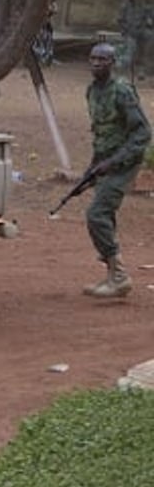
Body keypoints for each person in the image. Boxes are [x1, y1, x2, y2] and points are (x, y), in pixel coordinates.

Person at [80, 42, 151, 298]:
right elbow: (101, 132)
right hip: (105, 161)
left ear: (112, 63)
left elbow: (143, 133)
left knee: (97, 214)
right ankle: (113, 275)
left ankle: (119, 276)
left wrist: (114, 161)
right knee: (105, 214)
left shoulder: (122, 91)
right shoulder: (92, 91)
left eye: (103, 59)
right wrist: (92, 168)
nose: (97, 63)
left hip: (124, 164)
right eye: (93, 58)